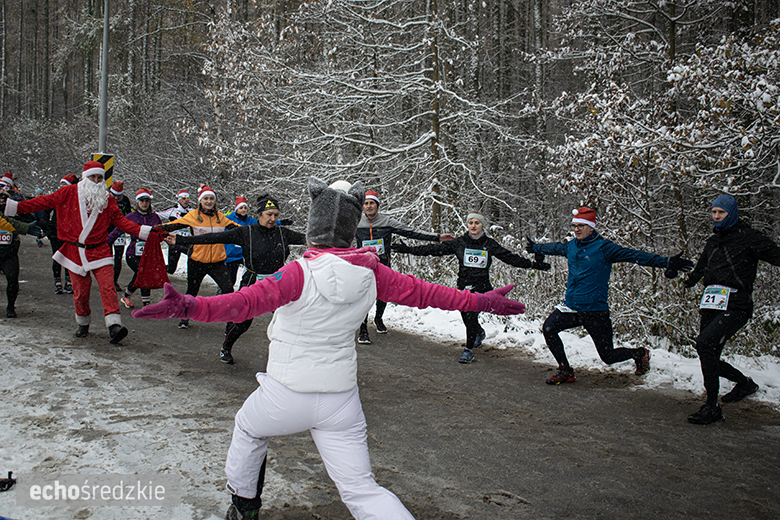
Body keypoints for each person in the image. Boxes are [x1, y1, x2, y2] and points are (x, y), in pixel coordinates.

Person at [133, 177, 527, 520]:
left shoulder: (298, 272)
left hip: (286, 392)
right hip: (341, 400)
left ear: (314, 226)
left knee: (249, 429)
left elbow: (242, 304)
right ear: (350, 230)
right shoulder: (372, 272)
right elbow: (429, 294)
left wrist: (189, 306)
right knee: (362, 490)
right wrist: (481, 300)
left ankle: (244, 505)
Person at [527, 206, 694, 384]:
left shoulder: (605, 248)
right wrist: (536, 247)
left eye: (581, 226)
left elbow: (634, 255)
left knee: (608, 356)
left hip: (595, 311)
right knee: (549, 328)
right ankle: (565, 370)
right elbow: (554, 247)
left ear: (591, 227)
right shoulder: (571, 246)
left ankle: (639, 353)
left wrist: (666, 262)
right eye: (574, 226)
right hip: (572, 307)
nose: (576, 229)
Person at [3, 161, 156, 343]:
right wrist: (13, 207)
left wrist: (147, 232)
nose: (97, 181)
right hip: (74, 251)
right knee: (80, 292)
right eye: (93, 177)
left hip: (100, 250)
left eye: (100, 178)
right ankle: (83, 322)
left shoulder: (107, 199)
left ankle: (114, 325)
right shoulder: (67, 193)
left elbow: (121, 221)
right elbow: (42, 202)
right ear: (85, 178)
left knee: (107, 287)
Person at [165, 193, 306, 364]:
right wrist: (181, 239)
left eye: (276, 215)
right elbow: (213, 238)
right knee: (243, 322)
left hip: (277, 283)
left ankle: (293, 357)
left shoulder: (283, 233)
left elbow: (310, 240)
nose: (273, 219)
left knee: (291, 317)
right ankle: (226, 346)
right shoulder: (246, 232)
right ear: (259, 215)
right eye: (269, 214)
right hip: (253, 282)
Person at [393, 210, 549, 363]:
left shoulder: (489, 244)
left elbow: (509, 258)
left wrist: (533, 265)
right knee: (467, 317)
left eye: (477, 223)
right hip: (464, 286)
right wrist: (410, 250)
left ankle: (468, 350)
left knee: (470, 315)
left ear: (482, 225)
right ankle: (479, 333)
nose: (473, 226)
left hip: (482, 287)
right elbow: (434, 250)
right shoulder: (460, 242)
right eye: (471, 223)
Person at [682, 195, 780, 424]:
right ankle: (744, 384)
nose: (717, 216)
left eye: (721, 212)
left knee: (704, 343)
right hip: (711, 304)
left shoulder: (749, 238)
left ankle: (712, 407)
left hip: (736, 304)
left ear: (732, 213)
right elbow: (702, 267)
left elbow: (776, 255)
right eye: (714, 212)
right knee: (708, 353)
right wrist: (689, 280)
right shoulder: (713, 241)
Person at [355, 189, 455, 344]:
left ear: (377, 205)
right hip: (364, 266)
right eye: (366, 203)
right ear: (362, 206)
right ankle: (363, 330)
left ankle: (379, 318)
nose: (369, 206)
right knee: (363, 297)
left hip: (383, 264)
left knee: (383, 294)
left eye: (372, 203)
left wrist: (437, 237)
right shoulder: (356, 223)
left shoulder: (387, 222)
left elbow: (412, 232)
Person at [157, 184, 237, 329]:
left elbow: (238, 230)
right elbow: (174, 225)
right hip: (197, 261)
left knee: (228, 289)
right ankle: (184, 318)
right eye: (205, 198)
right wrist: (156, 230)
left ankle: (231, 322)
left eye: (211, 198)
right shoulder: (193, 215)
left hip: (217, 263)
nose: (209, 201)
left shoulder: (220, 217)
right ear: (200, 201)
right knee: (192, 291)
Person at [108, 188, 163, 308]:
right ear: (137, 202)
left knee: (143, 275)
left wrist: (177, 244)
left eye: (147, 201)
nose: (144, 203)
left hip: (148, 253)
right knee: (142, 273)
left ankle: (129, 296)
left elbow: (162, 234)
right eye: (142, 201)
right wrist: (106, 243)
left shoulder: (155, 217)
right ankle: (145, 304)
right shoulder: (131, 216)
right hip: (133, 253)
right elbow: (117, 231)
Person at [0, 206, 43, 317]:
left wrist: (30, 225)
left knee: (12, 279)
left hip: (9, 253)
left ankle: (10, 307)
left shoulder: (10, 208)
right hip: (8, 251)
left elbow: (25, 218)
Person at [40, 174, 77, 294]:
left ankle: (68, 282)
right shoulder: (57, 197)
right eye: (61, 184)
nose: (61, 186)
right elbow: (46, 212)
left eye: (64, 184)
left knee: (68, 258)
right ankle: (58, 283)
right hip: (55, 232)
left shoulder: (76, 198)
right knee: (57, 257)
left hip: (69, 233)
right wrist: (48, 226)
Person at [223, 196, 259, 290]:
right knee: (229, 281)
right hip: (231, 255)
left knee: (249, 276)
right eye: (241, 208)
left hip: (244, 254)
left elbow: (263, 223)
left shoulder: (250, 221)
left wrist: (279, 222)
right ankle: (222, 295)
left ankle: (242, 293)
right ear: (236, 209)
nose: (243, 210)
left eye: (245, 208)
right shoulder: (229, 219)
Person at [157, 189, 191, 275]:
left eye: (187, 198)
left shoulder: (193, 211)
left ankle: (192, 277)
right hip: (174, 241)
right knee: (171, 269)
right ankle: (157, 269)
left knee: (193, 256)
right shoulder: (172, 211)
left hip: (188, 241)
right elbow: (156, 216)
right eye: (183, 198)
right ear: (179, 199)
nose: (186, 200)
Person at [108, 180, 133, 291]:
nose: (117, 198)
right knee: (108, 258)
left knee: (118, 258)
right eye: (114, 195)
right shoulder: (105, 199)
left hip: (120, 232)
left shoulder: (125, 200)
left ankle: (114, 281)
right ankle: (107, 280)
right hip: (108, 232)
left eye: (119, 196)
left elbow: (129, 214)